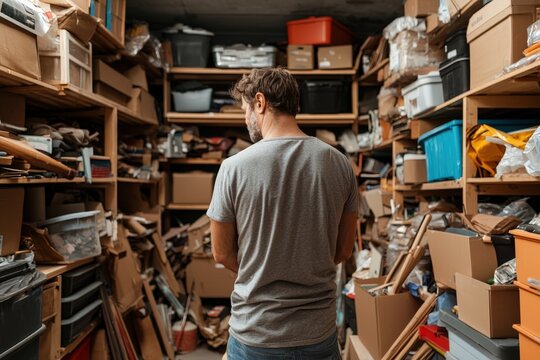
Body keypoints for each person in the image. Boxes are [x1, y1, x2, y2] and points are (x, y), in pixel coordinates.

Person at [206, 68, 358, 360]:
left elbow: (221, 253)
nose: (245, 119)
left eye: (245, 109)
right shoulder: (340, 164)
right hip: (318, 333)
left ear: (260, 103)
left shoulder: (233, 168)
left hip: (256, 332)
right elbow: (343, 250)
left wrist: (263, 268)